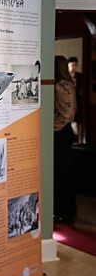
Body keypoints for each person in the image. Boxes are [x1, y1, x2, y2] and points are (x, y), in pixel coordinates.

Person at [53, 55, 77, 224]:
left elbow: (67, 112)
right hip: (64, 131)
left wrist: (53, 125)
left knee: (61, 173)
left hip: (60, 132)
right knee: (64, 172)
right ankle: (65, 210)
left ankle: (65, 211)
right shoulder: (68, 84)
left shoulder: (60, 86)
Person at [67, 56, 83, 143]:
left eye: (75, 65)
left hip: (78, 101)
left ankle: (80, 141)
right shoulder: (65, 76)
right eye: (72, 65)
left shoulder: (80, 76)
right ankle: (72, 141)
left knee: (79, 121)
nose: (74, 67)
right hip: (68, 101)